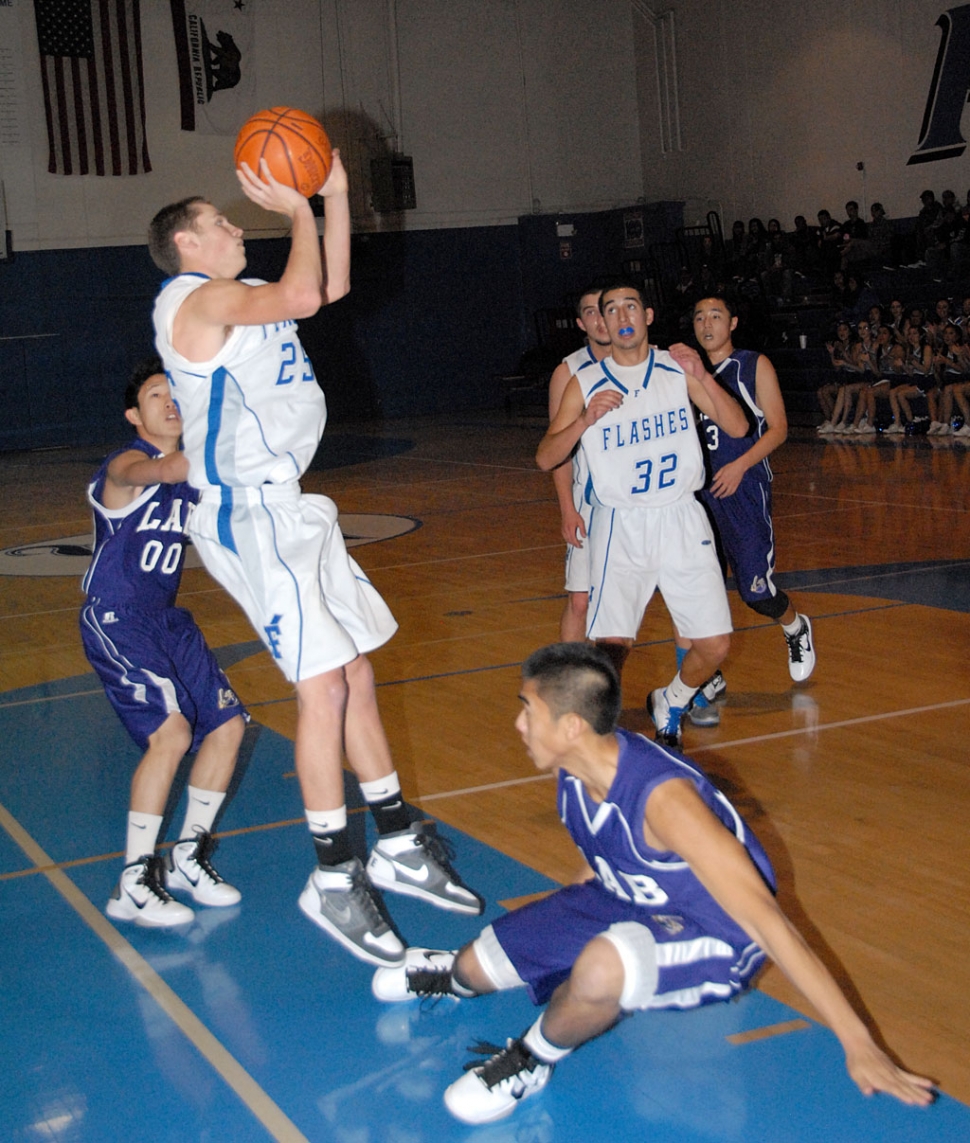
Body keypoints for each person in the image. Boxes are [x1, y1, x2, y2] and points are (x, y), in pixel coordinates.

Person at [370, 644, 935, 1125]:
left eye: (528, 709)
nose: (519, 722)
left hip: (716, 933)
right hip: (629, 897)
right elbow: (604, 850)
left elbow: (768, 921)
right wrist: (567, 910)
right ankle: (452, 976)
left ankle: (529, 1059)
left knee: (599, 968)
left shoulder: (666, 804)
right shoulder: (576, 766)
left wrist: (858, 1042)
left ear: (570, 725)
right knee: (474, 967)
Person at [148, 155, 481, 967]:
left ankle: (397, 838)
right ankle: (333, 874)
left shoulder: (238, 301)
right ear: (187, 241)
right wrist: (296, 208)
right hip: (247, 513)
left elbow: (324, 288)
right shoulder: (191, 300)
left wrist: (331, 191)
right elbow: (302, 292)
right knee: (323, 685)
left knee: (356, 672)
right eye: (221, 221)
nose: (236, 227)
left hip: (290, 506)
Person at [535, 279, 749, 748]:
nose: (623, 315)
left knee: (715, 644)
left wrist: (704, 376)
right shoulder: (584, 382)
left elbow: (737, 425)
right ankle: (591, 734)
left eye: (632, 306)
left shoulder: (677, 368)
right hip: (621, 522)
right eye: (612, 310)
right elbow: (546, 456)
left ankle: (672, 699)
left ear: (648, 316)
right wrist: (584, 420)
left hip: (681, 517)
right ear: (603, 323)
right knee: (612, 647)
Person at [80, 358, 247, 928]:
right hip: (117, 617)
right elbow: (165, 470)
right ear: (135, 413)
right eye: (157, 394)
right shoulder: (126, 464)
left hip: (167, 621)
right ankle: (133, 882)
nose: (170, 400)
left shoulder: (188, 475)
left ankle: (187, 859)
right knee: (171, 735)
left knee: (227, 728)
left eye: (177, 392)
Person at [685, 296, 815, 729]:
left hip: (745, 488)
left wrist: (739, 466)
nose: (707, 323)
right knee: (698, 591)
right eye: (700, 317)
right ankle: (708, 676)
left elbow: (778, 427)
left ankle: (795, 626)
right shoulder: (686, 374)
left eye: (716, 316)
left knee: (756, 593)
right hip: (701, 495)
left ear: (733, 322)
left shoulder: (752, 364)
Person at [547, 286, 612, 641]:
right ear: (580, 323)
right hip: (590, 500)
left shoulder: (646, 360)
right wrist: (567, 509)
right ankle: (572, 685)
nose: (601, 319)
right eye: (590, 312)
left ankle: (696, 676)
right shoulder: (569, 371)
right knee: (580, 600)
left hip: (640, 500)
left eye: (605, 310)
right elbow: (557, 450)